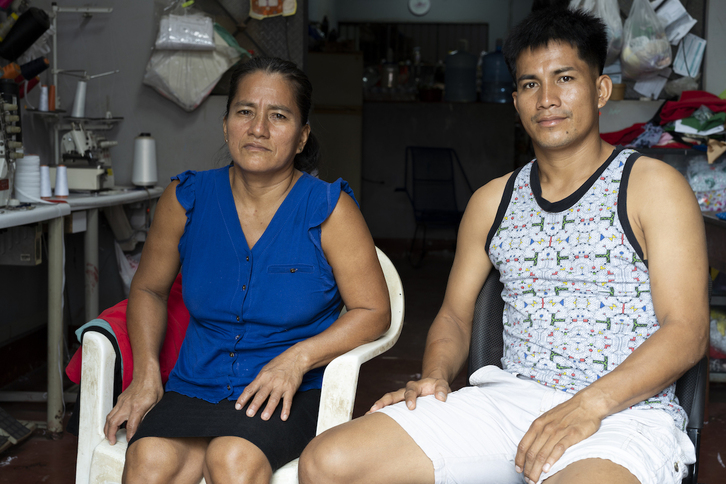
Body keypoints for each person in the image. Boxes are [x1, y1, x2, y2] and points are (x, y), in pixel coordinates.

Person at [299, 8, 708, 484]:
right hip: (507, 402)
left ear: (600, 90)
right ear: (515, 101)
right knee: (328, 463)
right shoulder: (492, 201)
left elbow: (687, 331)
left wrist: (586, 406)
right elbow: (454, 314)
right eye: (530, 84)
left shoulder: (652, 186)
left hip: (622, 412)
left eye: (564, 78)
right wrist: (434, 374)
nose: (547, 99)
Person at [103, 57, 391, 484]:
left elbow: (373, 311)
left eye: (278, 116)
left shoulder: (329, 209)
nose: (258, 128)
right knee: (148, 461)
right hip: (195, 382)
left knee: (232, 458)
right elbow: (148, 289)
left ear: (301, 136)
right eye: (244, 112)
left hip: (289, 390)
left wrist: (297, 360)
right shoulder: (187, 199)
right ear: (225, 125)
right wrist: (146, 375)